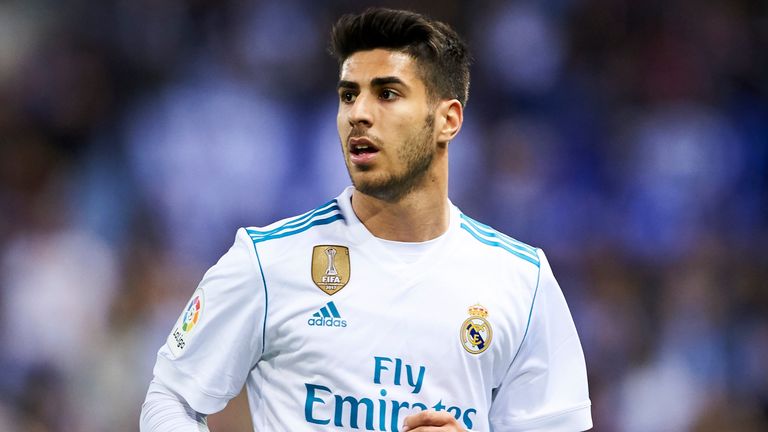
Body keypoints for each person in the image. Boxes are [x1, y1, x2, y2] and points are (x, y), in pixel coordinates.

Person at [140, 7, 592, 432]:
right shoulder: (268, 261)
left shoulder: (522, 280)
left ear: (447, 120)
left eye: (387, 94)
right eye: (349, 95)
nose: (358, 113)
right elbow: (171, 398)